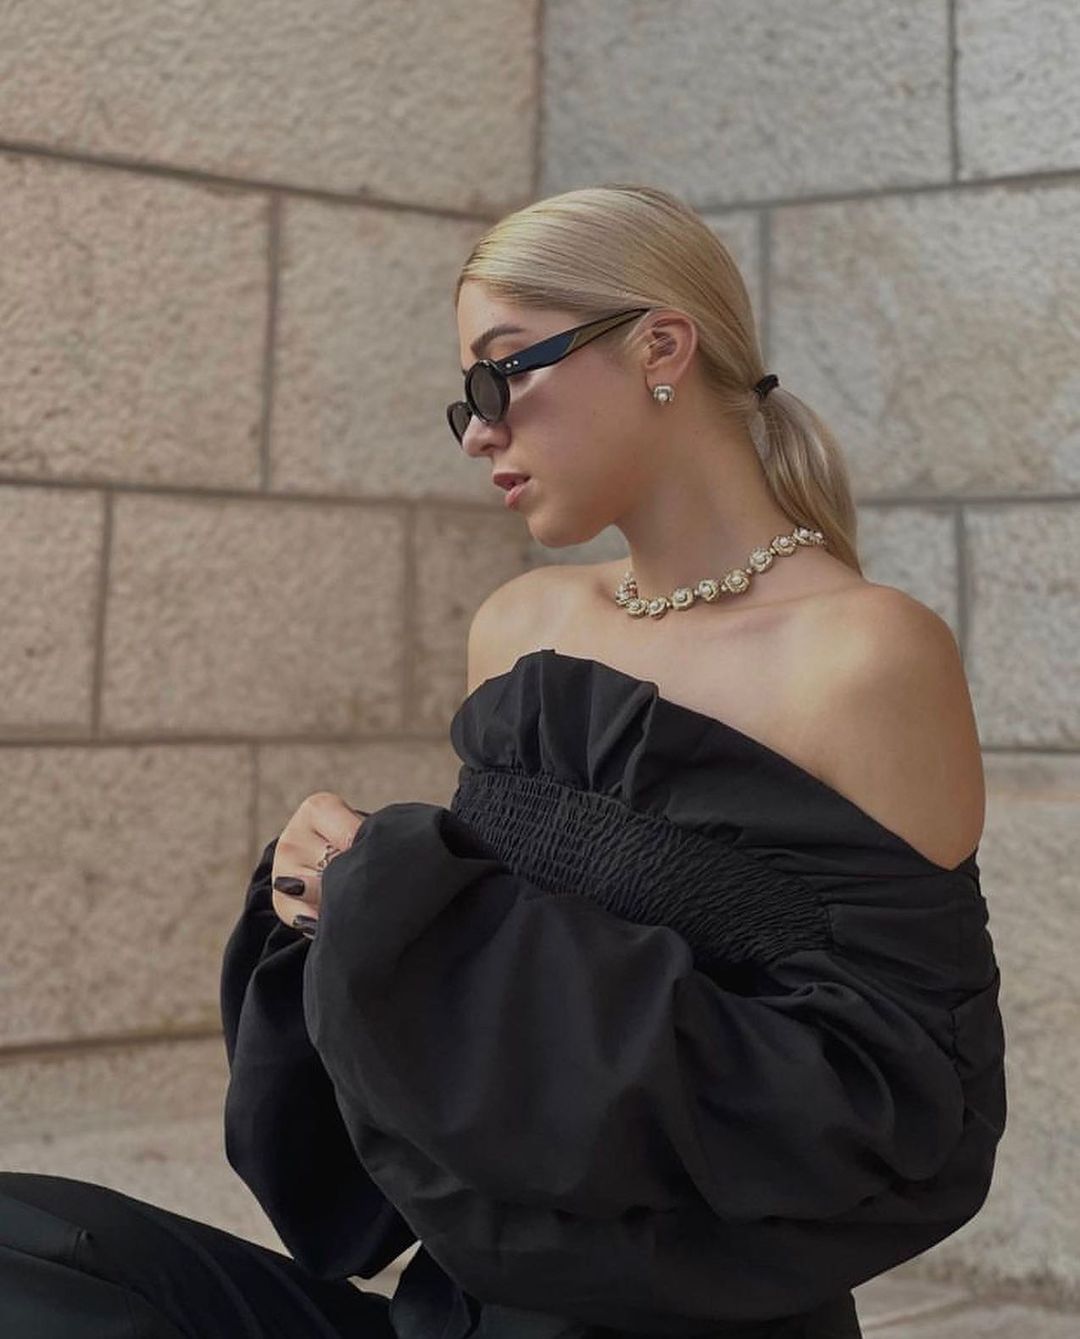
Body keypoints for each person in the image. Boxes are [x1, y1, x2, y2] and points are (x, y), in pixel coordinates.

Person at [0, 183, 1006, 1339]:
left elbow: (898, 1105)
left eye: (500, 375)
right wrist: (331, 896)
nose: (478, 431)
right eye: (464, 399)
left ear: (660, 348)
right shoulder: (522, 627)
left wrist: (410, 901)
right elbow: (473, 1028)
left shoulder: (862, 656)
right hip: (451, 1308)